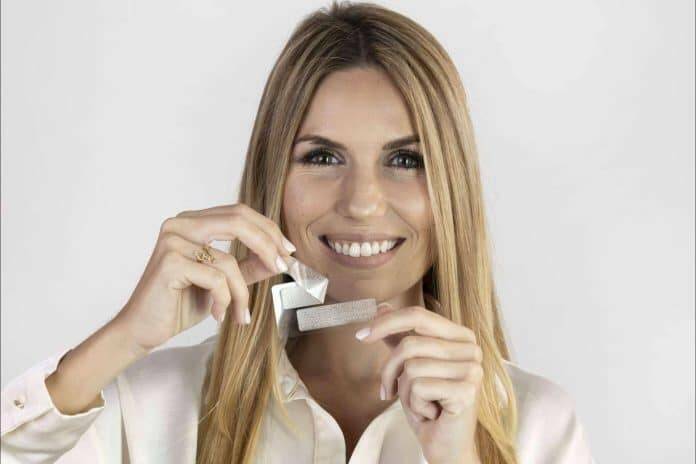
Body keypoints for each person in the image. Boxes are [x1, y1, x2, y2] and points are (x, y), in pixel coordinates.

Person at [1, 2, 596, 463]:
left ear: (453, 188)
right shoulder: (151, 406)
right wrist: (124, 339)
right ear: (273, 182)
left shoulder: (538, 424)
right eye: (322, 157)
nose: (362, 202)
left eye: (406, 160)